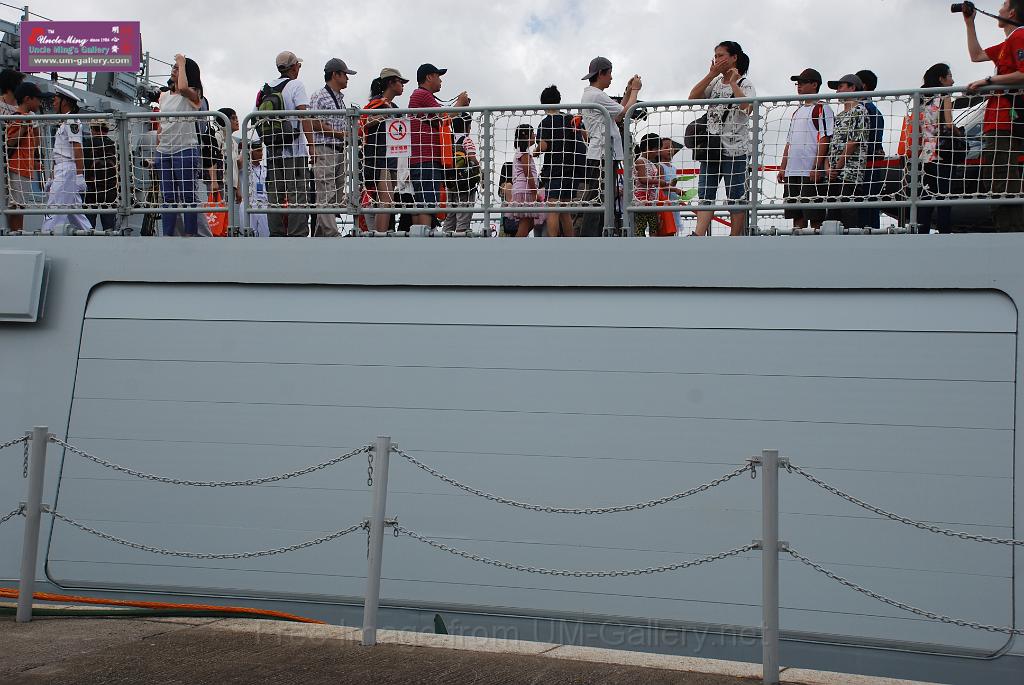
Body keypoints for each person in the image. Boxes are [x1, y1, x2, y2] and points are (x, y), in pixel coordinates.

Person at [964, 0, 1024, 231]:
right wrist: (970, 24)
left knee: (1001, 175)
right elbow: (976, 55)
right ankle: (1009, 226)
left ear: (1012, 12)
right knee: (998, 175)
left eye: (1003, 6)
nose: (998, 10)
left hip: (1005, 120)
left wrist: (989, 81)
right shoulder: (1009, 41)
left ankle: (1011, 229)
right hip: (997, 120)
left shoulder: (1019, 35)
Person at [688, 41, 755, 236]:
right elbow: (692, 97)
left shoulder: (745, 84)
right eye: (715, 55)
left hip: (735, 148)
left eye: (721, 55)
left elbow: (748, 108)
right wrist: (711, 74)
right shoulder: (715, 82)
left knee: (735, 196)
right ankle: (698, 235)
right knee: (705, 194)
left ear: (734, 57)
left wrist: (734, 82)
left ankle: (734, 237)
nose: (717, 59)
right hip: (712, 146)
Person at [580, 57, 641, 236]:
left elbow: (616, 115)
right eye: (610, 73)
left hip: (602, 153)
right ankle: (590, 237)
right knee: (598, 198)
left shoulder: (593, 94)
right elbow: (626, 112)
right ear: (601, 73)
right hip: (602, 154)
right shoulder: (596, 95)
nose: (611, 78)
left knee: (601, 197)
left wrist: (628, 91)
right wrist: (636, 90)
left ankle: (596, 235)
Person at [408, 63, 469, 236]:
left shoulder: (421, 96)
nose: (440, 80)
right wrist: (460, 103)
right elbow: (445, 117)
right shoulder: (422, 95)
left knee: (423, 203)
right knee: (427, 203)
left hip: (423, 158)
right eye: (438, 76)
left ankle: (422, 237)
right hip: (425, 158)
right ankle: (425, 241)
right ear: (429, 77)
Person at [262, 51, 314, 237]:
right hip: (295, 150)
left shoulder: (265, 89)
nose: (299, 69)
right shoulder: (296, 85)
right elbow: (304, 115)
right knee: (298, 193)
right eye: (298, 65)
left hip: (273, 151)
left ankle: (276, 234)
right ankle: (297, 234)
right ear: (293, 67)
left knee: (274, 194)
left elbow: (255, 118)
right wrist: (312, 145)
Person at [777, 68, 834, 231]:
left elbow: (825, 138)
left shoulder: (822, 109)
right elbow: (789, 141)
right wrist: (783, 167)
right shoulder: (797, 111)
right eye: (798, 83)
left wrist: (817, 166)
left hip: (809, 171)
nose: (799, 86)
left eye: (803, 82)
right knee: (796, 216)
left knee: (815, 216)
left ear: (814, 84)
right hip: (792, 172)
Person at [309, 57, 356, 237]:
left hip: (338, 149)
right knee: (326, 190)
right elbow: (314, 123)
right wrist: (340, 135)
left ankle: (321, 233)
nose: (347, 78)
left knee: (335, 192)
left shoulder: (339, 98)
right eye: (345, 74)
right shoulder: (319, 95)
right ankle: (331, 232)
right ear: (335, 74)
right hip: (324, 147)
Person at [156, 54, 202, 237]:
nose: (173, 70)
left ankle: (190, 235)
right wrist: (156, 149)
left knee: (188, 195)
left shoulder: (193, 94)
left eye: (177, 68)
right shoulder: (164, 96)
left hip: (185, 148)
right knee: (168, 198)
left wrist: (183, 62)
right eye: (174, 67)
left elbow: (183, 88)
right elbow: (161, 124)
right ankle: (167, 236)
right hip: (164, 151)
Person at [41, 86, 90, 234]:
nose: (53, 103)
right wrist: (52, 176)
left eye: (56, 100)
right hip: (62, 169)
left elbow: (77, 149)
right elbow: (59, 153)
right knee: (74, 210)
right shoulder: (65, 121)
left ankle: (47, 235)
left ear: (65, 102)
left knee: (55, 206)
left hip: (67, 170)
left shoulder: (72, 121)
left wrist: (80, 175)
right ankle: (90, 235)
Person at [363, 68, 408, 232]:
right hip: (378, 157)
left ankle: (379, 233)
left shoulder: (393, 106)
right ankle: (380, 236)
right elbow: (362, 123)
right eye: (400, 82)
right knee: (386, 199)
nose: (403, 86)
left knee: (386, 200)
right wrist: (384, 115)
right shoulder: (377, 103)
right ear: (390, 82)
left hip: (391, 158)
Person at [538, 85, 586, 237]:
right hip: (572, 170)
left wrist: (535, 150)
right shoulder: (570, 119)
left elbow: (544, 146)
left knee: (553, 209)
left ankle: (554, 244)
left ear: (544, 103)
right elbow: (585, 136)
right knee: (565, 211)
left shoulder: (546, 123)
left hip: (554, 171)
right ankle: (570, 243)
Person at [824, 73, 869, 228]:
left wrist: (836, 167)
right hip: (834, 174)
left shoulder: (860, 111)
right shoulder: (839, 116)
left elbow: (853, 142)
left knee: (849, 217)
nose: (837, 91)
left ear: (852, 87)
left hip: (850, 174)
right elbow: (831, 145)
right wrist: (827, 167)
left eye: (840, 87)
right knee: (832, 218)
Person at [916, 64, 956, 234]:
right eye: (950, 76)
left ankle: (921, 232)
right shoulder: (944, 96)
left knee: (926, 196)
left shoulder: (921, 99)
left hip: (926, 153)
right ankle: (944, 233)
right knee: (944, 197)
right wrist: (958, 132)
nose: (953, 81)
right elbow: (948, 124)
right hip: (942, 153)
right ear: (941, 78)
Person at [5, 81, 43, 232]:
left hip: (25, 169)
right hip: (17, 167)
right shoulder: (18, 117)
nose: (39, 103)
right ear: (28, 99)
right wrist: (24, 127)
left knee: (21, 205)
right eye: (37, 99)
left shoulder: (28, 117)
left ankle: (18, 232)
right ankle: (16, 234)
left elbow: (36, 144)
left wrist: (34, 127)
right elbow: (10, 141)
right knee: (16, 205)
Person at [632, 133, 680, 236]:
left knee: (655, 226)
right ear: (648, 148)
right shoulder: (640, 162)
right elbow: (643, 179)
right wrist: (658, 181)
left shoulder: (652, 164)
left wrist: (667, 184)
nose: (657, 153)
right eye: (656, 149)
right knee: (641, 227)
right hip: (641, 202)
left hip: (651, 202)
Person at [855, 69, 883, 229]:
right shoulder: (876, 111)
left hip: (862, 167)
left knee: (861, 210)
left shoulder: (863, 110)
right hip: (872, 167)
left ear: (862, 85)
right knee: (871, 209)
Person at [442, 113, 479, 233]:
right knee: (463, 216)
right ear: (467, 126)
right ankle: (461, 239)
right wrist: (479, 171)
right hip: (464, 184)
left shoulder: (449, 139)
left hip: (450, 183)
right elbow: (472, 157)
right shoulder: (466, 140)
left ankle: (445, 241)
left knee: (449, 217)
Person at [83, 120, 119, 231]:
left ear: (93, 129)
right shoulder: (115, 146)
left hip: (90, 190)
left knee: (88, 227)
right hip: (110, 191)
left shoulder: (86, 144)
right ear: (107, 130)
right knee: (109, 228)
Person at [511, 124, 546, 237]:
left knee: (529, 221)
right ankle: (514, 250)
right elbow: (528, 174)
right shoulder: (524, 153)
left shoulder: (521, 151)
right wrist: (535, 192)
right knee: (526, 223)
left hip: (522, 189)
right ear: (526, 136)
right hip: (526, 191)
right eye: (532, 134)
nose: (535, 135)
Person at [240, 141, 270, 237]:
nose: (261, 153)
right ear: (251, 152)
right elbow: (238, 162)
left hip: (263, 204)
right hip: (248, 203)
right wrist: (245, 149)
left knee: (266, 234)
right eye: (258, 151)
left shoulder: (266, 169)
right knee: (248, 235)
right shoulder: (244, 168)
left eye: (261, 151)